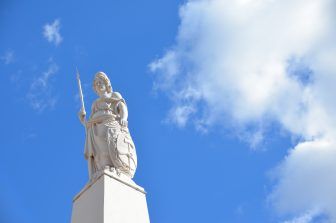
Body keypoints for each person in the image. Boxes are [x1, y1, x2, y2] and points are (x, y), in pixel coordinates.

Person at [78, 71, 137, 180]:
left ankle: (118, 167)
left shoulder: (114, 95)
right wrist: (83, 120)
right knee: (101, 151)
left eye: (100, 82)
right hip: (96, 130)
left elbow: (122, 107)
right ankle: (104, 168)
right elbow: (90, 123)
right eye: (96, 84)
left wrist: (123, 118)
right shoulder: (95, 104)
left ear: (106, 83)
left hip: (112, 126)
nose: (98, 85)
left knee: (112, 147)